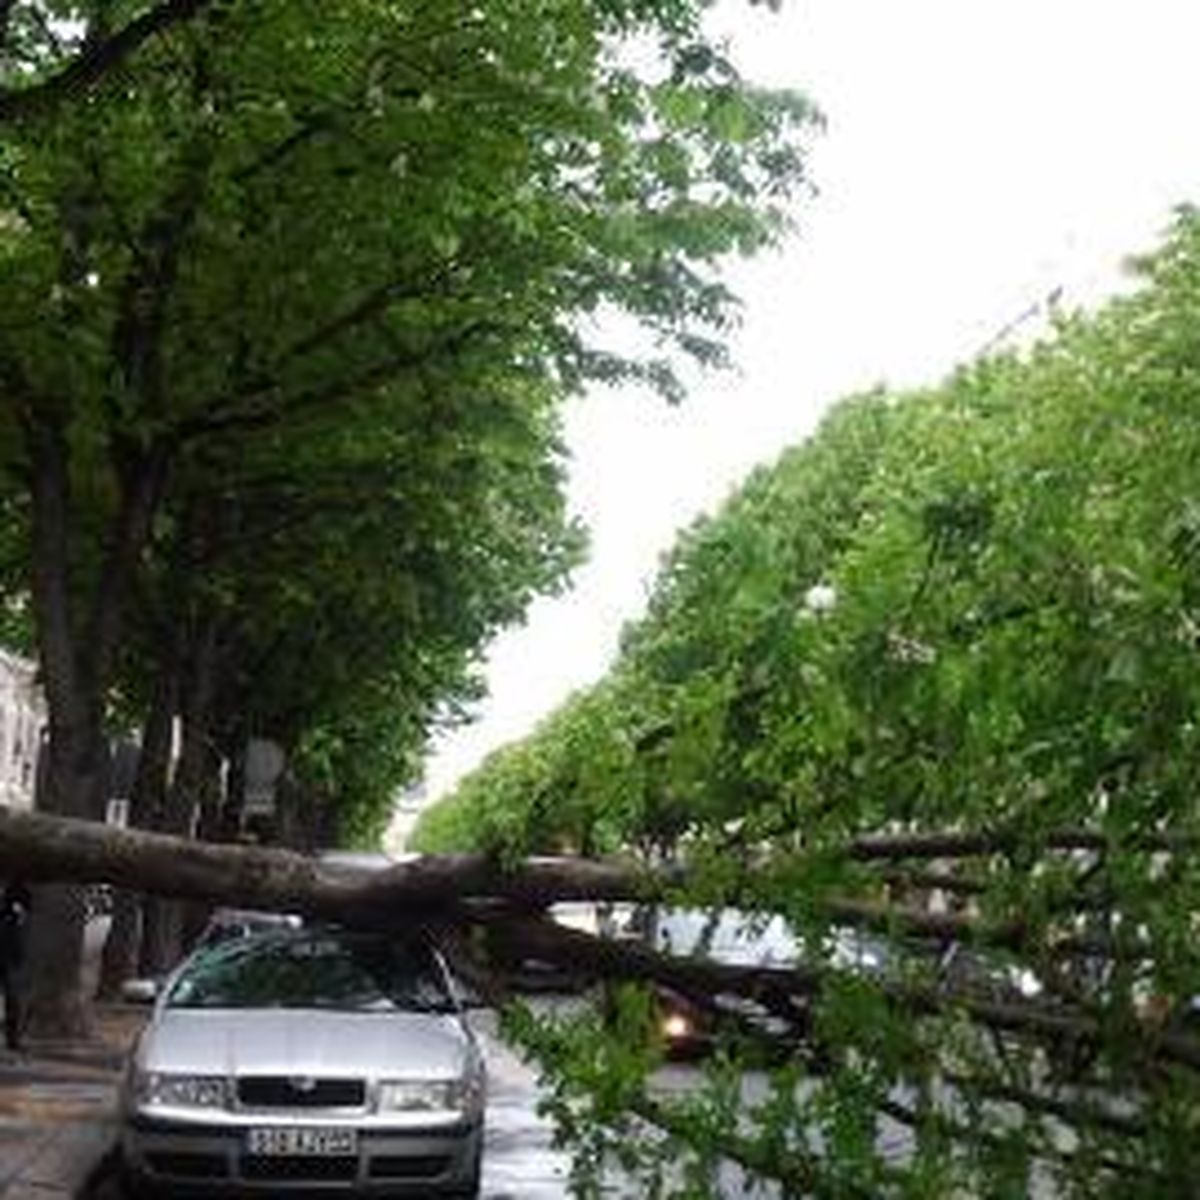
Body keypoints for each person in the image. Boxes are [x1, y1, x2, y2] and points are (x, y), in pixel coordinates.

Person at [0, 881, 30, 1051]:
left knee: (13, 997)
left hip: (9, 949)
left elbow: (26, 905)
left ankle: (12, 1040)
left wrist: (18, 911)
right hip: (9, 947)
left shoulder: (15, 885)